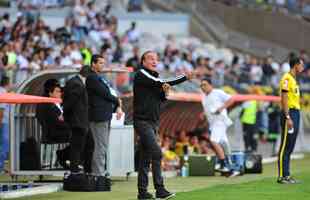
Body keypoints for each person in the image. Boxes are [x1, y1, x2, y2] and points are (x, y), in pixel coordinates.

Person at [134, 50, 192, 200]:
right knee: (157, 153)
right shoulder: (141, 73)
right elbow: (160, 83)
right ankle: (160, 190)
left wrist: (164, 93)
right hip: (142, 121)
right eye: (151, 59)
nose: (154, 61)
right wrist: (184, 77)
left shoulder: (155, 76)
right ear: (143, 62)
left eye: (156, 59)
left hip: (153, 122)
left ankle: (142, 193)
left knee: (145, 159)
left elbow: (159, 98)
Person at [86, 55, 123, 185]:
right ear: (93, 64)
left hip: (103, 115)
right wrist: (117, 100)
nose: (103, 65)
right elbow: (106, 94)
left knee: (102, 146)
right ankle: (98, 175)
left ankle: (100, 173)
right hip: (98, 117)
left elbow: (108, 93)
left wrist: (116, 102)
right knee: (100, 147)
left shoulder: (98, 78)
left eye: (103, 63)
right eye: (100, 63)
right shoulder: (92, 78)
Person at [200, 77, 240, 177]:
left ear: (210, 85)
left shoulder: (217, 92)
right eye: (201, 85)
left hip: (220, 121)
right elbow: (208, 110)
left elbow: (231, 99)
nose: (202, 87)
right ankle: (232, 168)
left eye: (204, 84)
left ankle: (222, 164)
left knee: (213, 141)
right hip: (213, 124)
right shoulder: (203, 98)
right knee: (224, 144)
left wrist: (221, 108)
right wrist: (203, 114)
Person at [277, 57, 304, 184]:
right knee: (285, 145)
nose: (303, 67)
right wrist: (288, 117)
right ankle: (282, 176)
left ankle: (287, 175)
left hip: (295, 112)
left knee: (290, 146)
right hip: (289, 113)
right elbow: (284, 98)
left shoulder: (294, 79)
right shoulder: (287, 79)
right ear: (296, 65)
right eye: (301, 65)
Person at [63, 66, 92, 173]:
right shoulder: (77, 84)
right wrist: (65, 114)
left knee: (82, 145)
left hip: (79, 120)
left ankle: (80, 168)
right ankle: (74, 169)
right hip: (78, 121)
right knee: (77, 146)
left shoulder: (75, 82)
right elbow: (70, 103)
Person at [0, 76, 10, 172]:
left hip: (3, 122)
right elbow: (1, 109)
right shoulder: (2, 92)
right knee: (4, 145)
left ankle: (2, 166)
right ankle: (1, 166)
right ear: (8, 83)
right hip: (3, 122)